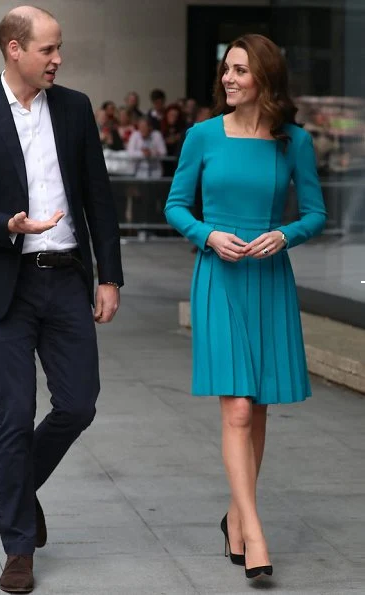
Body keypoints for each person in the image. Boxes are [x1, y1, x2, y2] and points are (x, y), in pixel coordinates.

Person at [0, 5, 123, 593]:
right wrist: (5, 224)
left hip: (68, 278)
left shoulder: (73, 109)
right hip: (6, 286)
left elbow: (98, 196)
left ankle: (20, 490)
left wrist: (109, 277)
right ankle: (18, 548)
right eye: (48, 49)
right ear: (14, 49)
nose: (59, 58)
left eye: (60, 47)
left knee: (78, 405)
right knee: (14, 415)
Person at [164, 33, 326, 581]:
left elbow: (315, 215)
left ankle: (234, 517)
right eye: (226, 70)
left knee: (257, 409)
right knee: (236, 407)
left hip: (270, 277)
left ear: (264, 77)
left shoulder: (293, 143)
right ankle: (254, 533)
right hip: (220, 276)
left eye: (240, 70)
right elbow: (176, 205)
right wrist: (208, 236)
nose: (228, 79)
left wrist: (285, 235)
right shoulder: (201, 136)